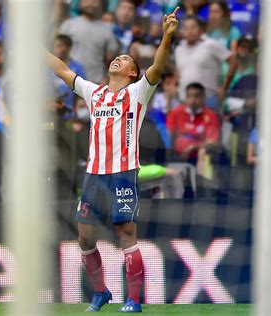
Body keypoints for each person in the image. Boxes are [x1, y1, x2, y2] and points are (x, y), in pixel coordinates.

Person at [46, 7, 179, 312]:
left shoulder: (138, 92)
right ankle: (101, 291)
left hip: (123, 173)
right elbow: (63, 69)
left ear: (133, 72)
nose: (118, 59)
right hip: (93, 174)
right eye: (116, 58)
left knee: (126, 234)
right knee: (83, 237)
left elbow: (158, 65)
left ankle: (133, 299)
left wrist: (167, 35)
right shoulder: (95, 93)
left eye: (126, 60)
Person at [174, 16, 231, 108]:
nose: (189, 31)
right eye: (186, 28)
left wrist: (224, 88)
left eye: (193, 27)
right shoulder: (179, 49)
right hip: (184, 101)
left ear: (201, 29)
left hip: (209, 100)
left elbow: (234, 62)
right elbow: (178, 72)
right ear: (182, 31)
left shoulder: (211, 44)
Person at [58, 0, 119, 83]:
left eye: (94, 1)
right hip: (69, 81)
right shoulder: (68, 25)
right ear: (79, 3)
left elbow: (111, 59)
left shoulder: (107, 30)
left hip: (95, 83)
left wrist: (107, 78)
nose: (90, 3)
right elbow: (58, 52)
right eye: (86, 1)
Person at [166, 82, 221, 161]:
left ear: (203, 97)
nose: (193, 100)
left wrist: (195, 147)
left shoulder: (211, 116)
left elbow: (212, 142)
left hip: (200, 157)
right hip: (176, 155)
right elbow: (168, 136)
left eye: (196, 96)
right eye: (189, 96)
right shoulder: (176, 112)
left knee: (203, 152)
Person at [51, 35, 86, 112]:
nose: (59, 50)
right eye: (56, 46)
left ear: (69, 48)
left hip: (69, 113)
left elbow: (83, 93)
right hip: (48, 112)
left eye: (61, 46)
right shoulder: (46, 68)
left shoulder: (78, 68)